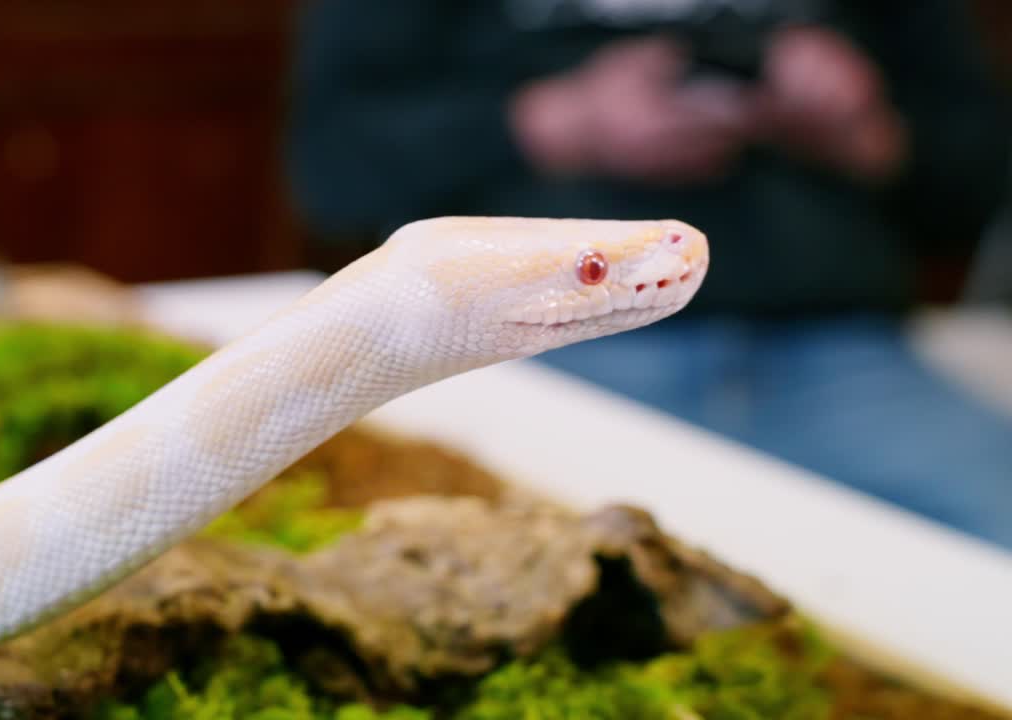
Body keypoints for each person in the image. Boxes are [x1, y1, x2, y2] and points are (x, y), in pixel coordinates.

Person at [287, 0, 1012, 547]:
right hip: (543, 352)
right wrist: (562, 119)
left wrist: (867, 129)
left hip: (836, 350)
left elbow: (977, 174)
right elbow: (331, 165)